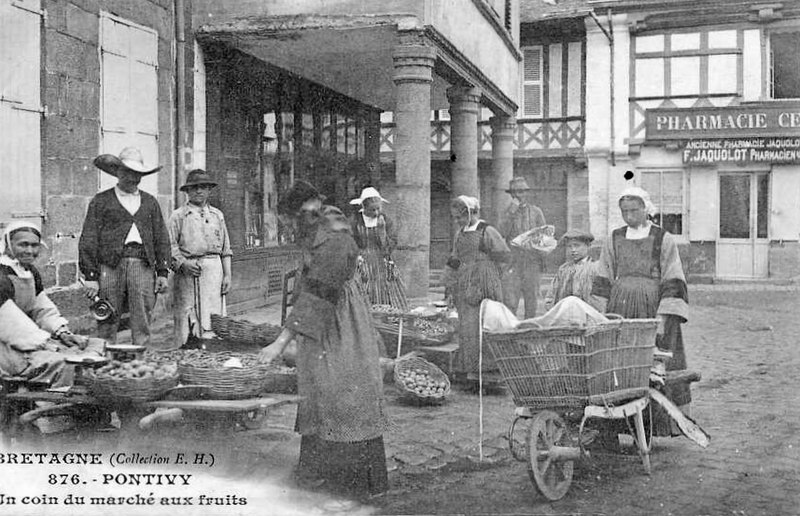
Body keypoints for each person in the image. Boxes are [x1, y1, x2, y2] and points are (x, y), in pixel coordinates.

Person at [258, 181, 389, 501]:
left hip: (341, 319)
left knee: (342, 388)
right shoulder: (319, 226)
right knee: (318, 390)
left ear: (313, 206)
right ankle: (317, 471)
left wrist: (280, 342)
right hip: (324, 319)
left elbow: (320, 292)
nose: (301, 219)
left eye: (302, 213)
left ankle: (350, 482)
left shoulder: (334, 236)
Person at [592, 186, 690, 437]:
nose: (629, 215)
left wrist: (664, 317)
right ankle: (614, 425)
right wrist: (598, 314)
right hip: (620, 306)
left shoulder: (662, 238)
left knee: (651, 364)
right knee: (618, 363)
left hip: (651, 306)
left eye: (634, 210)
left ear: (646, 209)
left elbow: (673, 277)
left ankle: (650, 427)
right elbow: (603, 275)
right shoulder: (614, 238)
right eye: (624, 211)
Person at [78, 147, 170, 347]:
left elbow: (161, 238)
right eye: (127, 172)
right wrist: (91, 277)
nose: (132, 178)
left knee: (142, 315)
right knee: (107, 314)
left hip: (142, 264)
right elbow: (89, 239)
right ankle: (103, 360)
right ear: (117, 172)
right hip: (110, 265)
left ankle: (140, 361)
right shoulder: (101, 201)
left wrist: (162, 271)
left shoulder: (150, 202)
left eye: (137, 174)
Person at [0, 222, 104, 387]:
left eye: (34, 245)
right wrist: (46, 343)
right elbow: (10, 323)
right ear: (8, 245)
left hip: (28, 339)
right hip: (8, 348)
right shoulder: (1, 274)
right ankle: (50, 407)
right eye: (23, 245)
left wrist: (62, 332)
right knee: (65, 362)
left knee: (95, 345)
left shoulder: (29, 271)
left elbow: (42, 308)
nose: (30, 251)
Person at [445, 196, 510, 385]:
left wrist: (491, 277)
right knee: (467, 325)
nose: (458, 221)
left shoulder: (487, 231)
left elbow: (504, 256)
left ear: (472, 213)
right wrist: (449, 282)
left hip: (485, 281)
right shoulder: (460, 233)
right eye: (456, 218)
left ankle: (488, 371)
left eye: (461, 217)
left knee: (485, 322)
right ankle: (468, 369)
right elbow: (454, 258)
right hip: (465, 282)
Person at [168, 169, 232, 346]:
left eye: (203, 187)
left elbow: (226, 249)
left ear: (209, 190)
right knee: (189, 318)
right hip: (188, 273)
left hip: (214, 272)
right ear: (187, 191)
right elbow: (170, 246)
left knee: (213, 318)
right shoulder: (178, 216)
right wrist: (183, 263)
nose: (199, 191)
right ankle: (186, 352)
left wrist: (227, 275)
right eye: (194, 187)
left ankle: (212, 353)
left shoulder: (217, 215)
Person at [349, 187, 408, 311]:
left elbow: (392, 241)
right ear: (364, 208)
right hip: (361, 260)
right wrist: (356, 255)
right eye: (372, 210)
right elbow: (350, 241)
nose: (376, 212)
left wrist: (382, 233)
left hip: (381, 259)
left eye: (378, 209)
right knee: (363, 289)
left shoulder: (386, 220)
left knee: (386, 290)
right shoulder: (355, 221)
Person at [501, 177, 547, 318]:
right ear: (512, 195)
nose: (519, 195)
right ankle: (511, 329)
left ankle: (529, 328)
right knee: (510, 298)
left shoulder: (536, 212)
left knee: (531, 297)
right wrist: (511, 213)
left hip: (531, 260)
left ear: (527, 193)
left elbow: (544, 235)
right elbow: (502, 232)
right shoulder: (507, 213)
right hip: (513, 261)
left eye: (522, 192)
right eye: (516, 192)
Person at [545, 229, 604, 312]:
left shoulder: (595, 268)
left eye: (577, 246)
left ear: (588, 246)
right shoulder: (564, 269)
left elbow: (600, 299)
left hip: (587, 314)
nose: (573, 250)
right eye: (570, 246)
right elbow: (552, 294)